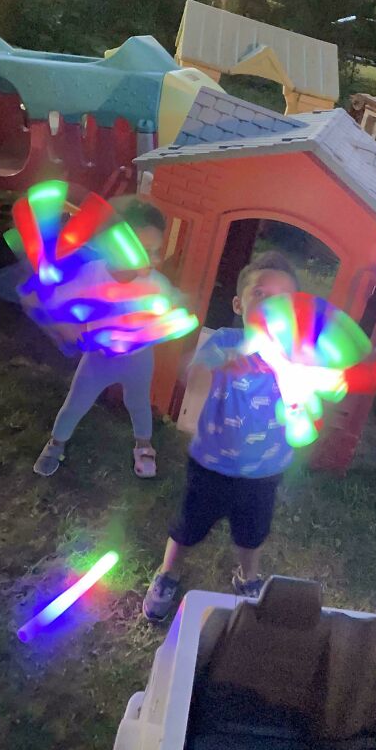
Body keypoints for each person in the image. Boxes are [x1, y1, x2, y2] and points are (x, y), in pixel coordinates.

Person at [142, 250, 298, 621]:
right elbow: (191, 376)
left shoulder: (296, 354)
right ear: (238, 304)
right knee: (187, 525)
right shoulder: (224, 342)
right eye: (260, 293)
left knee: (252, 533)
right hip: (211, 463)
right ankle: (168, 573)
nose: (269, 304)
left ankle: (248, 577)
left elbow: (309, 396)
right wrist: (218, 366)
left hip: (265, 471)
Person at [32, 198, 169, 479]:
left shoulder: (155, 283)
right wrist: (69, 327)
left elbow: (163, 318)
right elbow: (60, 300)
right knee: (77, 402)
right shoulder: (93, 273)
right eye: (139, 248)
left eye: (153, 250)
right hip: (99, 358)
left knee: (138, 402)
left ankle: (144, 445)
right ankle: (55, 445)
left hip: (138, 359)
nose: (147, 258)